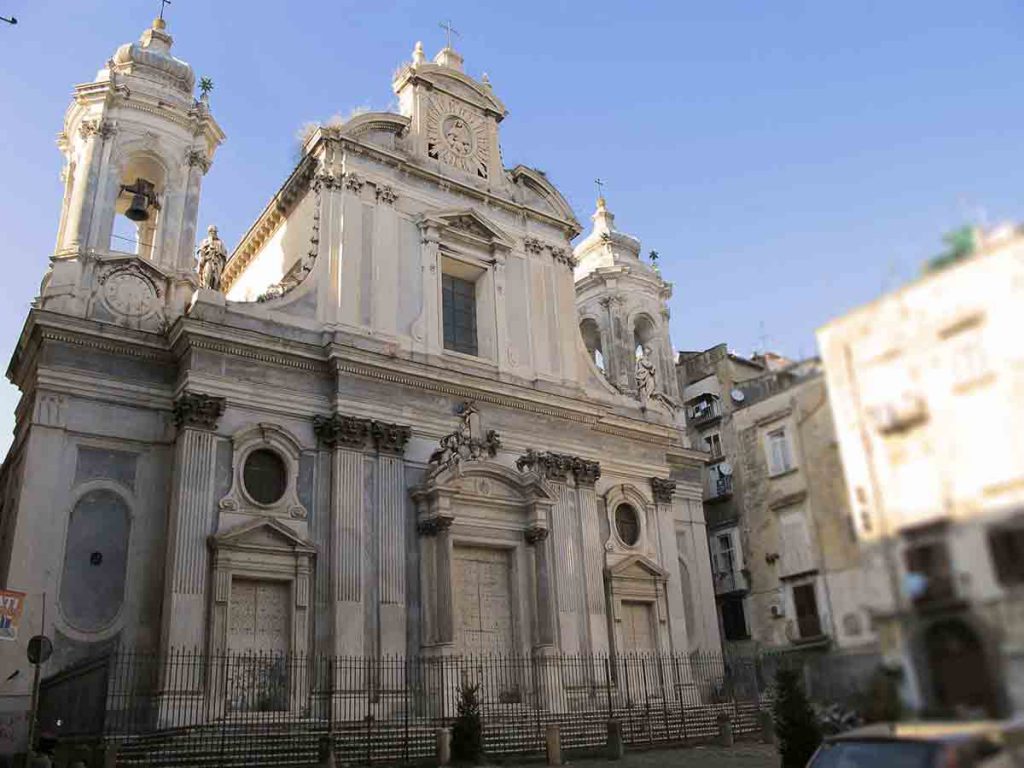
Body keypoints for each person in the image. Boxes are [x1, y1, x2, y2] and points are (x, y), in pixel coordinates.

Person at [196, 225, 227, 291]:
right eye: (213, 232)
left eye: (215, 232)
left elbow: (224, 254)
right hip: (208, 260)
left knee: (216, 278)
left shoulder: (220, 243)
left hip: (217, 262)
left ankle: (214, 290)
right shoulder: (205, 241)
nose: (215, 233)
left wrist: (219, 254)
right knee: (207, 275)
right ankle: (205, 289)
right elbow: (201, 251)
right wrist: (203, 256)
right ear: (210, 232)